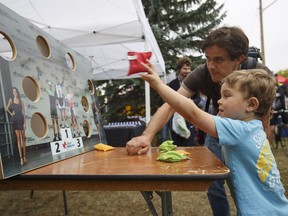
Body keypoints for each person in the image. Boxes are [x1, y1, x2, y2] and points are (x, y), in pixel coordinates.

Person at [126, 26, 272, 216]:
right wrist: (147, 136)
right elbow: (171, 104)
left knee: (243, 184)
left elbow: (265, 118)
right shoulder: (202, 72)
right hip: (218, 125)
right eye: (208, 58)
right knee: (213, 184)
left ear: (240, 59)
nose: (210, 65)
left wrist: (263, 150)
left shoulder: (259, 73)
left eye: (218, 59)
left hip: (245, 132)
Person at [140, 63, 288, 215]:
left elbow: (193, 114)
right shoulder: (254, 127)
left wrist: (158, 85)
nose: (219, 101)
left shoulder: (239, 130)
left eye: (227, 96)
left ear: (251, 104)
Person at [167, 56, 202, 146]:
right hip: (175, 117)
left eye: (188, 68)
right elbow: (168, 99)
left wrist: (189, 103)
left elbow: (198, 98)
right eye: (184, 68)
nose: (187, 71)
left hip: (189, 116)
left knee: (190, 141)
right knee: (177, 142)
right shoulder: (172, 84)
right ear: (179, 69)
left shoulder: (193, 83)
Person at [6, 87, 27, 166]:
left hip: (21, 120)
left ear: (17, 92)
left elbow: (23, 113)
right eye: (13, 91)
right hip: (15, 120)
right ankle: (21, 158)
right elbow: (7, 108)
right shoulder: (11, 100)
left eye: (15, 91)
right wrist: (11, 114)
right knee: (18, 139)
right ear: (12, 92)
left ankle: (25, 156)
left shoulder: (21, 101)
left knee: (23, 139)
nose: (14, 92)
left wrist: (25, 123)